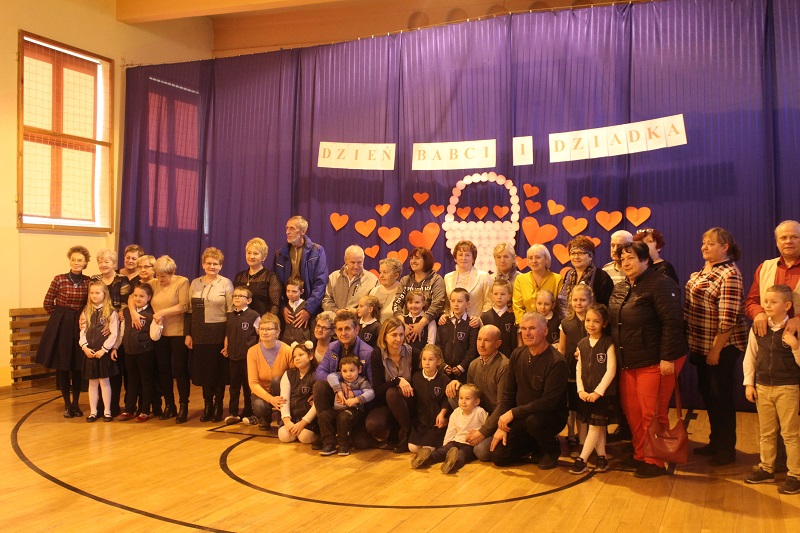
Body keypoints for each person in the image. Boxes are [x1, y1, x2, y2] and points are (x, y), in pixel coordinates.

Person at [608, 241, 688, 478]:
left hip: (656, 361)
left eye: (631, 258)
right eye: (622, 259)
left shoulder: (661, 283)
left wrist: (667, 358)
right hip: (628, 360)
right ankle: (641, 453)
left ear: (645, 260)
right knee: (632, 412)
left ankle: (656, 460)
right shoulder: (621, 287)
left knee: (652, 413)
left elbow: (673, 323)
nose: (626, 263)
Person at [685, 227, 748, 466]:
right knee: (709, 395)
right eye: (704, 242)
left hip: (721, 346)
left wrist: (716, 350)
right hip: (701, 344)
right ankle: (715, 441)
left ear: (725, 247)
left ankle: (726, 449)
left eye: (711, 243)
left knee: (720, 397)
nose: (705, 247)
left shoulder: (730, 273)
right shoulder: (706, 269)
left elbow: (728, 318)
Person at [490, 312, 568, 470]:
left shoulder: (557, 362)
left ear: (545, 331)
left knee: (534, 422)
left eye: (532, 328)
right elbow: (508, 394)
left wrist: (513, 413)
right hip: (522, 417)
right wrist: (502, 425)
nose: (527, 333)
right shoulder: (517, 354)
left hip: (548, 417)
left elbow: (549, 402)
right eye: (524, 328)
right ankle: (535, 444)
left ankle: (551, 450)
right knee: (499, 457)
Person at [742, 285, 800, 494]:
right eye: (765, 301)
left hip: (787, 387)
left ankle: (795, 474)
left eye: (773, 302)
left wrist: (795, 347)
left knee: (790, 434)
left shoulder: (794, 330)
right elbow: (751, 356)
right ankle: (767, 468)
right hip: (763, 387)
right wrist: (749, 383)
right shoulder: (758, 328)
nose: (767, 305)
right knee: (766, 433)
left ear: (787, 305)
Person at [36, 246, 91, 418]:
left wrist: (81, 317)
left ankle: (76, 404)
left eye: (80, 260)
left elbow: (90, 303)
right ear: (69, 261)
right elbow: (47, 303)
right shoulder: (59, 279)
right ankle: (67, 404)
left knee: (77, 366)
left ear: (85, 263)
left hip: (80, 324)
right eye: (73, 259)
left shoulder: (89, 281)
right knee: (63, 365)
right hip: (61, 325)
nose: (76, 263)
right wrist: (59, 317)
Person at [444, 325, 508, 462]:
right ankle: (463, 436)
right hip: (477, 414)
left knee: (481, 451)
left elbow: (503, 406)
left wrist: (482, 432)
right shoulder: (474, 364)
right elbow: (471, 393)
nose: (481, 344)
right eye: (479, 339)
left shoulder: (504, 366)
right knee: (453, 393)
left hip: (495, 419)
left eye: (487, 340)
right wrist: (457, 384)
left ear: (498, 344)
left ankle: (465, 447)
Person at [186, 247, 234, 423]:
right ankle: (207, 405)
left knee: (217, 371)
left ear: (220, 266)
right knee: (204, 371)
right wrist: (188, 334)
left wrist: (228, 336)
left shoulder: (226, 283)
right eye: (208, 263)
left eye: (215, 264)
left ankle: (218, 405)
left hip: (218, 332)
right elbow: (189, 311)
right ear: (203, 264)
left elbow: (231, 311)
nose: (211, 266)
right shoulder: (195, 283)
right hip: (199, 333)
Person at [570, 304, 616, 474]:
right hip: (586, 394)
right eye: (588, 320)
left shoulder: (608, 343)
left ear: (604, 323)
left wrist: (598, 392)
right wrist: (580, 390)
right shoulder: (582, 344)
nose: (591, 324)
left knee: (595, 427)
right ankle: (602, 458)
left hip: (602, 395)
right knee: (596, 425)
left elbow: (611, 370)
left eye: (596, 321)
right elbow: (579, 368)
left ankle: (582, 459)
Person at [146, 256, 190, 422]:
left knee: (180, 370)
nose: (160, 279)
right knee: (163, 371)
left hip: (178, 332)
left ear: (172, 272)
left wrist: (162, 313)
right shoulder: (152, 283)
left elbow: (184, 305)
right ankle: (169, 405)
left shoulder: (182, 282)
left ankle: (183, 406)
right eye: (157, 275)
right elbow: (134, 296)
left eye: (163, 276)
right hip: (160, 334)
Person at [367, 318, 419, 452]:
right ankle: (403, 431)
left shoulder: (413, 353)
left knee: (392, 393)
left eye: (401, 334)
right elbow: (377, 390)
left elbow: (418, 386)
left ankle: (406, 433)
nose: (398, 339)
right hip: (385, 403)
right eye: (394, 335)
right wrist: (397, 381)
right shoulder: (377, 354)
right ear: (385, 336)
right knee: (372, 424)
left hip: (409, 401)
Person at [312, 309, 374, 423]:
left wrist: (355, 394)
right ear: (335, 331)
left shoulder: (368, 353)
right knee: (319, 386)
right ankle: (325, 427)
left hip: (357, 401)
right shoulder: (332, 347)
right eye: (340, 329)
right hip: (337, 395)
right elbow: (319, 373)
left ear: (356, 330)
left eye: (347, 328)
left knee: (349, 426)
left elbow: (373, 385)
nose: (343, 333)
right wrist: (338, 385)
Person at [411, 383, 488, 474]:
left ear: (476, 402)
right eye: (461, 398)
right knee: (442, 451)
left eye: (467, 399)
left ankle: (452, 463)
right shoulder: (456, 413)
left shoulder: (480, 412)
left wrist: (480, 434)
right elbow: (451, 431)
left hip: (470, 444)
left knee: (462, 454)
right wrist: (445, 445)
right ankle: (427, 458)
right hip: (456, 441)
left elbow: (487, 427)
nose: (463, 401)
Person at [92, 249, 132, 417]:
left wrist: (111, 319)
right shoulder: (94, 279)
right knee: (100, 370)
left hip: (116, 328)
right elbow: (91, 301)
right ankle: (100, 407)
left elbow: (125, 303)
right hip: (97, 328)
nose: (103, 264)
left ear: (114, 264)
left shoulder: (122, 280)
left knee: (114, 368)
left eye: (107, 261)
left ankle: (113, 406)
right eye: (100, 261)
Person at [115, 283, 162, 422]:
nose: (138, 298)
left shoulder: (151, 314)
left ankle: (144, 411)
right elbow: (122, 331)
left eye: (141, 296)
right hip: (129, 351)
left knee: (146, 381)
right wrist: (116, 347)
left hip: (145, 351)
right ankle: (129, 409)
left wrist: (159, 324)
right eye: (135, 295)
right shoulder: (127, 312)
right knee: (132, 381)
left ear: (149, 297)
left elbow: (154, 336)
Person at [274, 216, 329, 329]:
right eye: (287, 228)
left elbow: (320, 283)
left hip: (310, 311)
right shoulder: (279, 254)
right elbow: (275, 285)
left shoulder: (317, 251)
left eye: (292, 228)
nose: (287, 232)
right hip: (287, 312)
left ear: (303, 231)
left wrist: (308, 309)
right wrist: (282, 307)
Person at [746, 220, 800, 335]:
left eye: (794, 237)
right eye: (783, 238)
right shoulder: (764, 267)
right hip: (769, 337)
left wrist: (799, 319)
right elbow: (751, 302)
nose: (788, 241)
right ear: (777, 242)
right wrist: (758, 313)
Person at [558, 284, 593, 458]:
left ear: (590, 301)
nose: (578, 303)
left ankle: (587, 441)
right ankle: (572, 435)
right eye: (575, 300)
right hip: (571, 370)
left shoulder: (594, 321)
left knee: (585, 408)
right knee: (572, 405)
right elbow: (562, 349)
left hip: (590, 371)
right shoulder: (565, 323)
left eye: (582, 300)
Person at [318, 355, 375, 456]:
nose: (348, 374)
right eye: (344, 371)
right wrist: (339, 390)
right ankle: (329, 443)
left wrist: (356, 400)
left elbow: (371, 393)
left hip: (354, 410)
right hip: (337, 409)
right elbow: (331, 376)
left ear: (359, 369)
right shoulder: (340, 379)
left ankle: (343, 445)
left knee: (344, 417)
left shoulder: (362, 382)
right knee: (324, 416)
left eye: (352, 370)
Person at [79, 281, 120, 422]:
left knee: (105, 382)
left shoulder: (111, 312)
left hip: (103, 353)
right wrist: (84, 347)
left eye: (97, 293)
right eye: (91, 293)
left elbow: (114, 333)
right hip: (89, 352)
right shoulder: (86, 312)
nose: (94, 296)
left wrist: (104, 349)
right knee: (92, 383)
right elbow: (82, 332)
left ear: (105, 294)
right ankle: (93, 411)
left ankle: (107, 411)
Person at [247, 312, 294, 430]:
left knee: (277, 380)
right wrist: (270, 399)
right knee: (259, 406)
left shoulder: (287, 350)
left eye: (269, 329)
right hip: (262, 394)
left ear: (277, 332)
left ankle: (282, 416)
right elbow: (253, 383)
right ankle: (265, 418)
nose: (264, 332)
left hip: (282, 392)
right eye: (262, 329)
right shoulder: (252, 352)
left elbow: (293, 378)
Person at [222, 286, 261, 425]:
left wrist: (257, 352)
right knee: (234, 386)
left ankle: (250, 412)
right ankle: (233, 412)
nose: (237, 298)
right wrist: (226, 347)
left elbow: (260, 335)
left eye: (241, 296)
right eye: (235, 296)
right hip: (233, 356)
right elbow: (227, 334)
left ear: (249, 300)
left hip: (248, 358)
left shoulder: (254, 316)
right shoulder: (230, 315)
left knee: (248, 386)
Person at [392, 247, 446, 345]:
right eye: (411, 258)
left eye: (417, 258)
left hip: (430, 327)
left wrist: (421, 324)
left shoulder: (436, 280)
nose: (413, 261)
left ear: (426, 260)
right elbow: (396, 303)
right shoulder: (405, 280)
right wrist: (403, 325)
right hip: (407, 327)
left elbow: (437, 304)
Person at [408, 344, 452, 453]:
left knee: (428, 449)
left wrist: (442, 414)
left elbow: (446, 400)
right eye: (424, 359)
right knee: (413, 448)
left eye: (431, 359)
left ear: (438, 361)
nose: (427, 363)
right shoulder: (416, 377)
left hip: (435, 423)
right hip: (420, 422)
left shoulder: (444, 379)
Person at [278, 341, 319, 445]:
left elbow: (317, 404)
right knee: (284, 436)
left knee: (304, 437)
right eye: (294, 356)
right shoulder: (288, 374)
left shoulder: (317, 375)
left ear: (310, 356)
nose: (297, 358)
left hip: (309, 419)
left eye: (301, 355)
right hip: (293, 416)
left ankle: (318, 435)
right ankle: (294, 430)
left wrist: (302, 423)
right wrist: (287, 421)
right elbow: (284, 400)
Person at [557, 235, 614, 310]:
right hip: (567, 317)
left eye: (580, 253)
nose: (576, 257)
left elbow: (605, 308)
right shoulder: (569, 274)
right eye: (573, 253)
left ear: (590, 256)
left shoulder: (602, 277)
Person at [436, 288, 478, 384]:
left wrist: (462, 366)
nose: (456, 304)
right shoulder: (444, 322)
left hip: (464, 372)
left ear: (467, 304)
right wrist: (443, 365)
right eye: (453, 301)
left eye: (460, 301)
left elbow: (472, 350)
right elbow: (438, 346)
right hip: (445, 371)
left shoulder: (471, 324)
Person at [513, 244, 563, 324]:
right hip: (526, 325)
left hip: (551, 324)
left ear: (546, 260)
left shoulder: (557, 279)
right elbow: (517, 306)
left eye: (538, 257)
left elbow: (561, 307)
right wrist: (524, 325)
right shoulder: (520, 279)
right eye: (530, 258)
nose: (534, 261)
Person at [322, 245, 378, 313]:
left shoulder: (372, 280)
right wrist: (336, 311)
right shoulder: (333, 277)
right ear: (345, 260)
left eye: (359, 262)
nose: (356, 266)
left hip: (359, 319)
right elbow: (326, 300)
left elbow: (374, 306)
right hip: (335, 318)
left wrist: (357, 311)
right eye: (352, 262)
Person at [443, 240, 492, 318]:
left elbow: (489, 302)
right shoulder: (447, 277)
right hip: (453, 322)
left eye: (467, 255)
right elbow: (446, 304)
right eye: (460, 255)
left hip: (476, 322)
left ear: (473, 258)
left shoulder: (484, 276)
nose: (463, 258)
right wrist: (446, 315)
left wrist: (480, 319)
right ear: (455, 258)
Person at [233, 237, 281, 316]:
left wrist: (266, 321)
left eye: (255, 253)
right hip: (241, 321)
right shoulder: (239, 277)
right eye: (249, 253)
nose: (251, 256)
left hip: (262, 322)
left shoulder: (271, 277)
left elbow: (275, 305)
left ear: (264, 257)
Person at [480, 279, 517, 358]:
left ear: (509, 296)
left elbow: (514, 341)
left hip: (509, 357)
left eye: (503, 294)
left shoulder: (513, 316)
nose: (499, 297)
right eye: (496, 294)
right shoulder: (485, 317)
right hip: (489, 357)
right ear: (491, 295)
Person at [281, 277, 314, 345]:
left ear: (301, 292)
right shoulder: (284, 308)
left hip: (303, 343)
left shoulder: (306, 308)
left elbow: (312, 326)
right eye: (288, 291)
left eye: (294, 291)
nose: (290, 294)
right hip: (286, 342)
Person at [403, 289, 437, 353]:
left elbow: (431, 343)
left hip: (422, 356)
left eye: (417, 302)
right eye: (410, 302)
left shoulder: (430, 321)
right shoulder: (403, 320)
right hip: (405, 356)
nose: (413, 306)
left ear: (423, 303)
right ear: (407, 304)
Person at [370, 257, 402, 323]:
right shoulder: (374, 291)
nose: (381, 276)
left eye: (385, 272)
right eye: (380, 272)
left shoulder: (402, 292)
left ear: (396, 275)